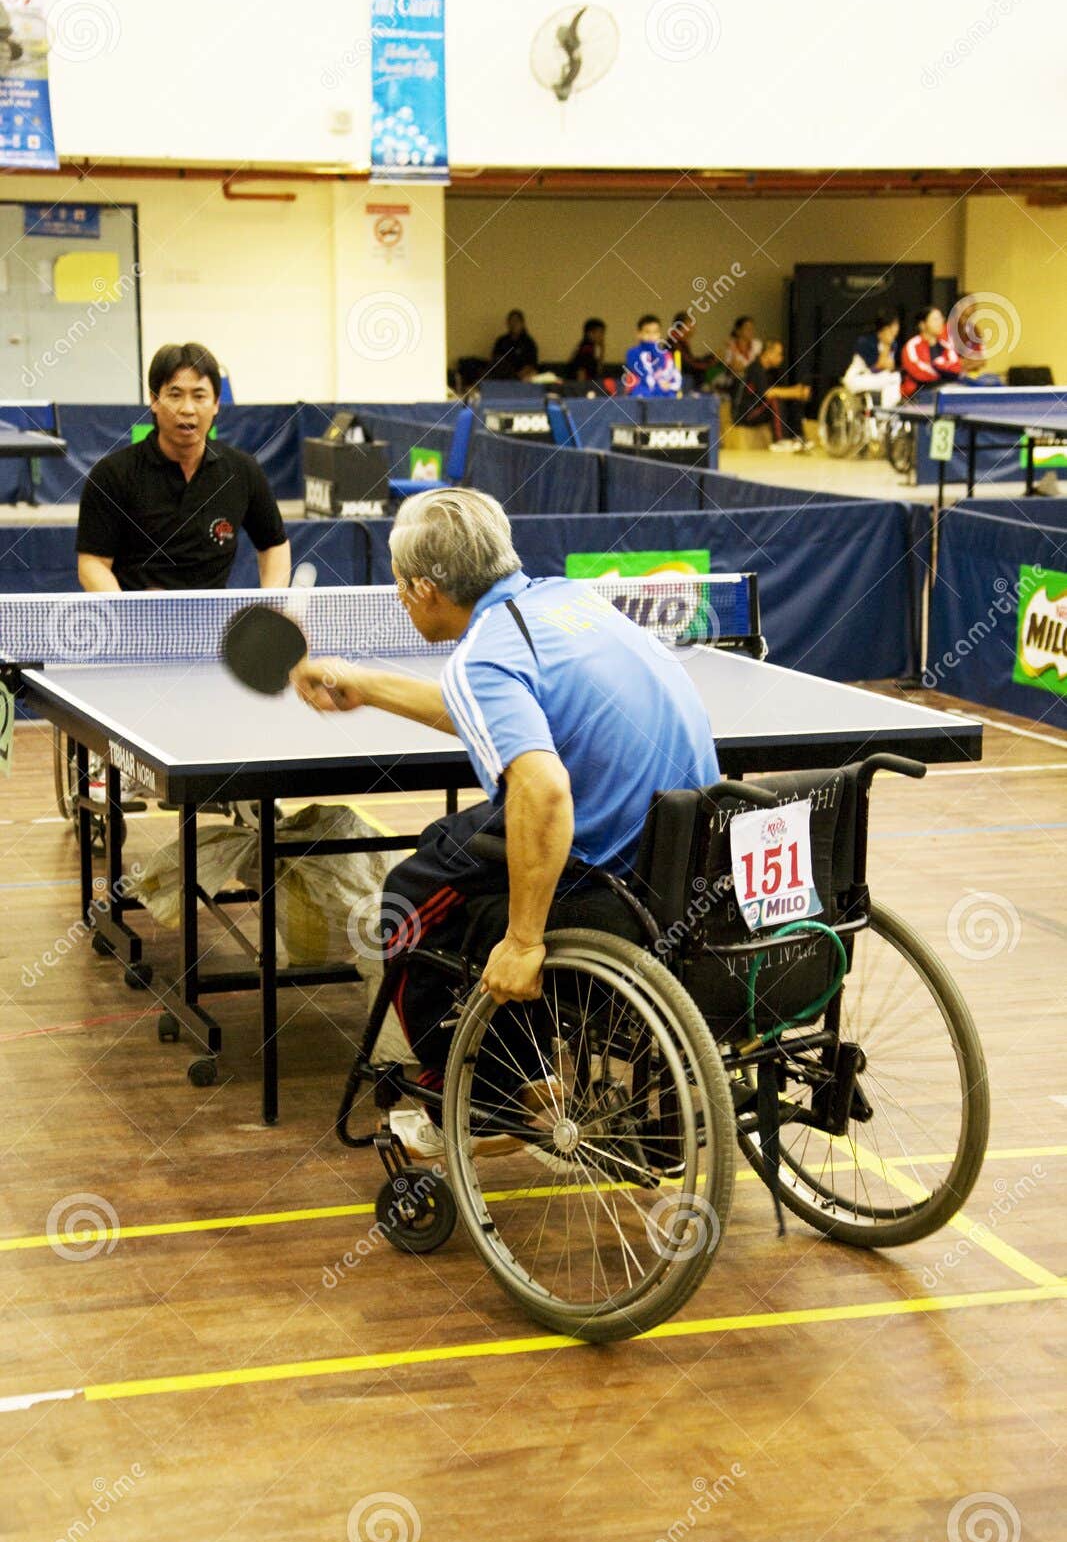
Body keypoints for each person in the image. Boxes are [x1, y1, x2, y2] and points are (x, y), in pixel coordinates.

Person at [291, 487, 719, 1157]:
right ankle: (529, 1076)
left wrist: (522, 941)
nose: (400, 598)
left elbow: (544, 791)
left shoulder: (482, 654)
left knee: (408, 903)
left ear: (427, 588)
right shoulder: (568, 602)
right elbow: (493, 709)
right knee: (444, 846)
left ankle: (477, 1104)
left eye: (402, 587)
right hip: (684, 858)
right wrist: (368, 687)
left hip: (607, 876)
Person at [77, 342, 290, 592]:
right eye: (175, 395)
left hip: (214, 624)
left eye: (199, 396)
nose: (187, 409)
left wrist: (273, 606)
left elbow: (274, 545)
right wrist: (127, 618)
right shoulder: (112, 474)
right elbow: (92, 563)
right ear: (154, 401)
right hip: (137, 624)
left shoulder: (241, 471)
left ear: (216, 404)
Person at [733, 338, 812, 451]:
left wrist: (798, 392)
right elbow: (768, 393)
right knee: (775, 399)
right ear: (768, 353)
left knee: (791, 399)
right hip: (745, 413)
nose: (781, 358)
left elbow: (782, 391)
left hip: (761, 409)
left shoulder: (772, 371)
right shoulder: (755, 368)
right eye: (779, 354)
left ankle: (798, 436)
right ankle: (780, 441)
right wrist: (795, 392)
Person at [900, 306, 961, 400]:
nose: (940, 322)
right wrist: (942, 370)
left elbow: (956, 369)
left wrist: (938, 366)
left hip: (944, 389)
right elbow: (919, 373)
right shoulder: (912, 345)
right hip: (917, 394)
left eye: (941, 318)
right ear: (922, 325)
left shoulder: (946, 346)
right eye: (935, 319)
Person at [842, 312, 901, 402]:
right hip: (858, 378)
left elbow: (890, 366)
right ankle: (885, 412)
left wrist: (888, 345)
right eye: (895, 325)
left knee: (894, 377)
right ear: (885, 328)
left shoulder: (893, 344)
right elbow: (875, 368)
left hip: (876, 378)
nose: (897, 328)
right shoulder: (865, 342)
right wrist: (886, 345)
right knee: (892, 378)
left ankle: (887, 411)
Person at [622, 314, 682, 396]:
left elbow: (673, 374)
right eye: (647, 332)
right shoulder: (633, 353)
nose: (651, 336)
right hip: (640, 390)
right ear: (639, 334)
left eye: (655, 332)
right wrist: (658, 384)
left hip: (662, 390)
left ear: (659, 334)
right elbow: (641, 373)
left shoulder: (666, 354)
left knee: (670, 395)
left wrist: (669, 385)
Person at [486, 310, 539, 382]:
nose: (514, 324)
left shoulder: (529, 343)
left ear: (522, 323)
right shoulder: (501, 341)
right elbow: (494, 359)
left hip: (521, 376)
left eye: (516, 321)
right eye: (511, 321)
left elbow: (532, 364)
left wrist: (520, 374)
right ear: (508, 323)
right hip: (503, 374)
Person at [566, 317, 606, 383]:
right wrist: (582, 389)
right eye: (600, 332)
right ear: (590, 333)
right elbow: (581, 371)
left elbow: (598, 370)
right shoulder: (586, 349)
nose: (602, 336)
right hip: (581, 387)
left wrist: (602, 348)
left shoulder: (589, 347)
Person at [723, 315, 762, 379]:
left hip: (755, 379)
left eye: (752, 328)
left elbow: (759, 365)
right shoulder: (730, 347)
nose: (751, 331)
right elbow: (734, 369)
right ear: (738, 331)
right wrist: (733, 351)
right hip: (738, 381)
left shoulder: (757, 344)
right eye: (747, 328)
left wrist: (744, 368)